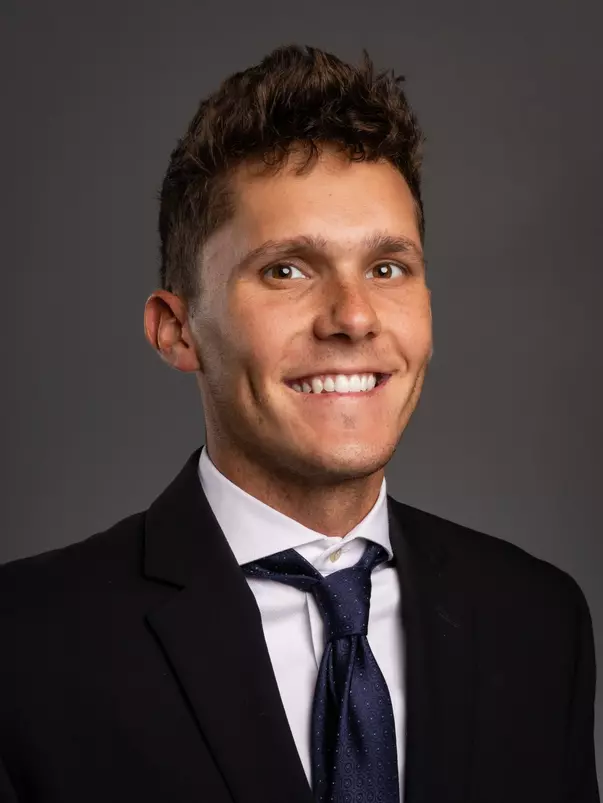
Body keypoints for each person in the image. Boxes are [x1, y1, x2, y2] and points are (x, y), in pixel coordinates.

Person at [0, 44, 598, 803]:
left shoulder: (537, 619)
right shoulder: (25, 643)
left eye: (387, 267)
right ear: (176, 330)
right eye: (286, 269)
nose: (354, 317)